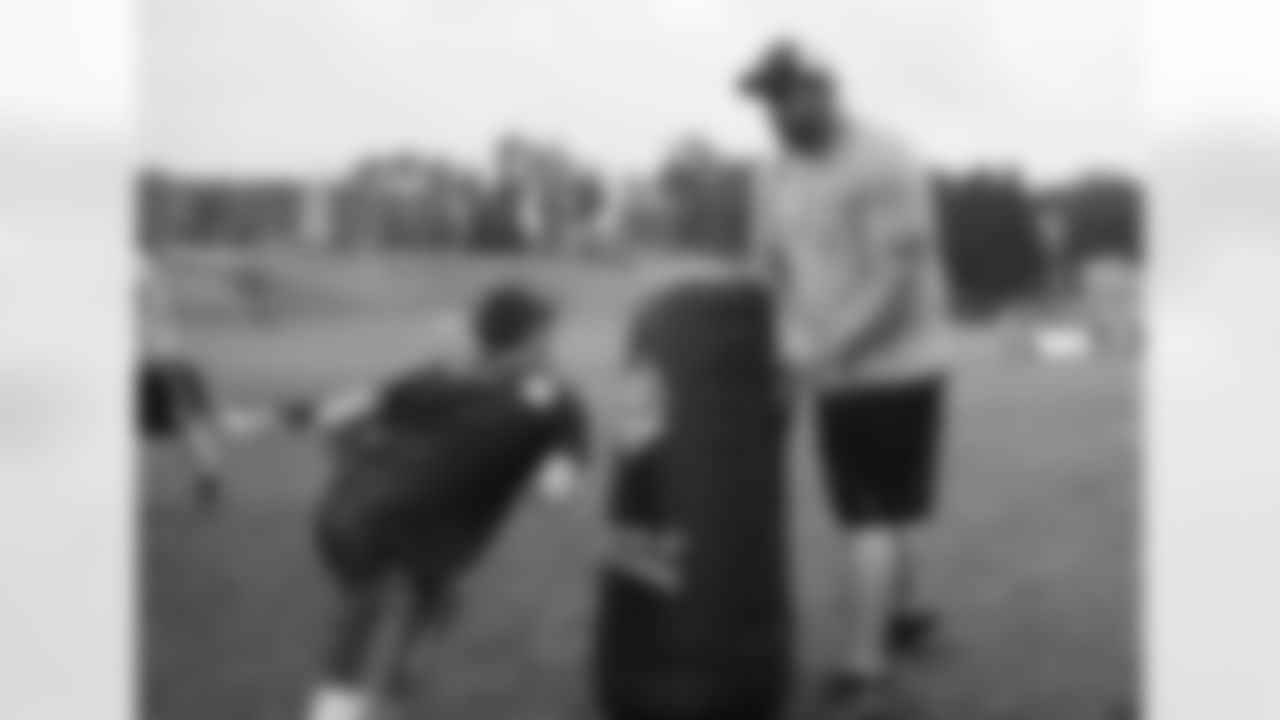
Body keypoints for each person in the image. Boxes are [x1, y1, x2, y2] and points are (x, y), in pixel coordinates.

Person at [740, 41, 955, 713]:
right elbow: (765, 263)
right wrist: (773, 339)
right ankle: (913, 614)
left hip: (897, 365)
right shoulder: (774, 172)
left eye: (787, 98)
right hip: (834, 365)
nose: (775, 114)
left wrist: (821, 355)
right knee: (893, 506)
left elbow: (895, 280)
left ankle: (865, 662)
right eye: (767, 102)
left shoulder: (884, 159)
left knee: (870, 513)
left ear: (825, 92)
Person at [297, 282, 592, 720]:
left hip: (345, 513)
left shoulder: (435, 374)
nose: (552, 343)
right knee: (383, 607)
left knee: (424, 601)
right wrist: (542, 470)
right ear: (532, 336)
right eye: (547, 333)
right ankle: (353, 708)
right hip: (412, 527)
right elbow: (556, 487)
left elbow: (336, 415)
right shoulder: (556, 400)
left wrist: (354, 464)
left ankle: (378, 702)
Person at [137, 253, 230, 507]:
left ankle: (208, 477)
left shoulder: (133, 267)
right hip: (163, 356)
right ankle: (208, 476)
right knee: (189, 420)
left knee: (187, 419)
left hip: (154, 359)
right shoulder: (141, 265)